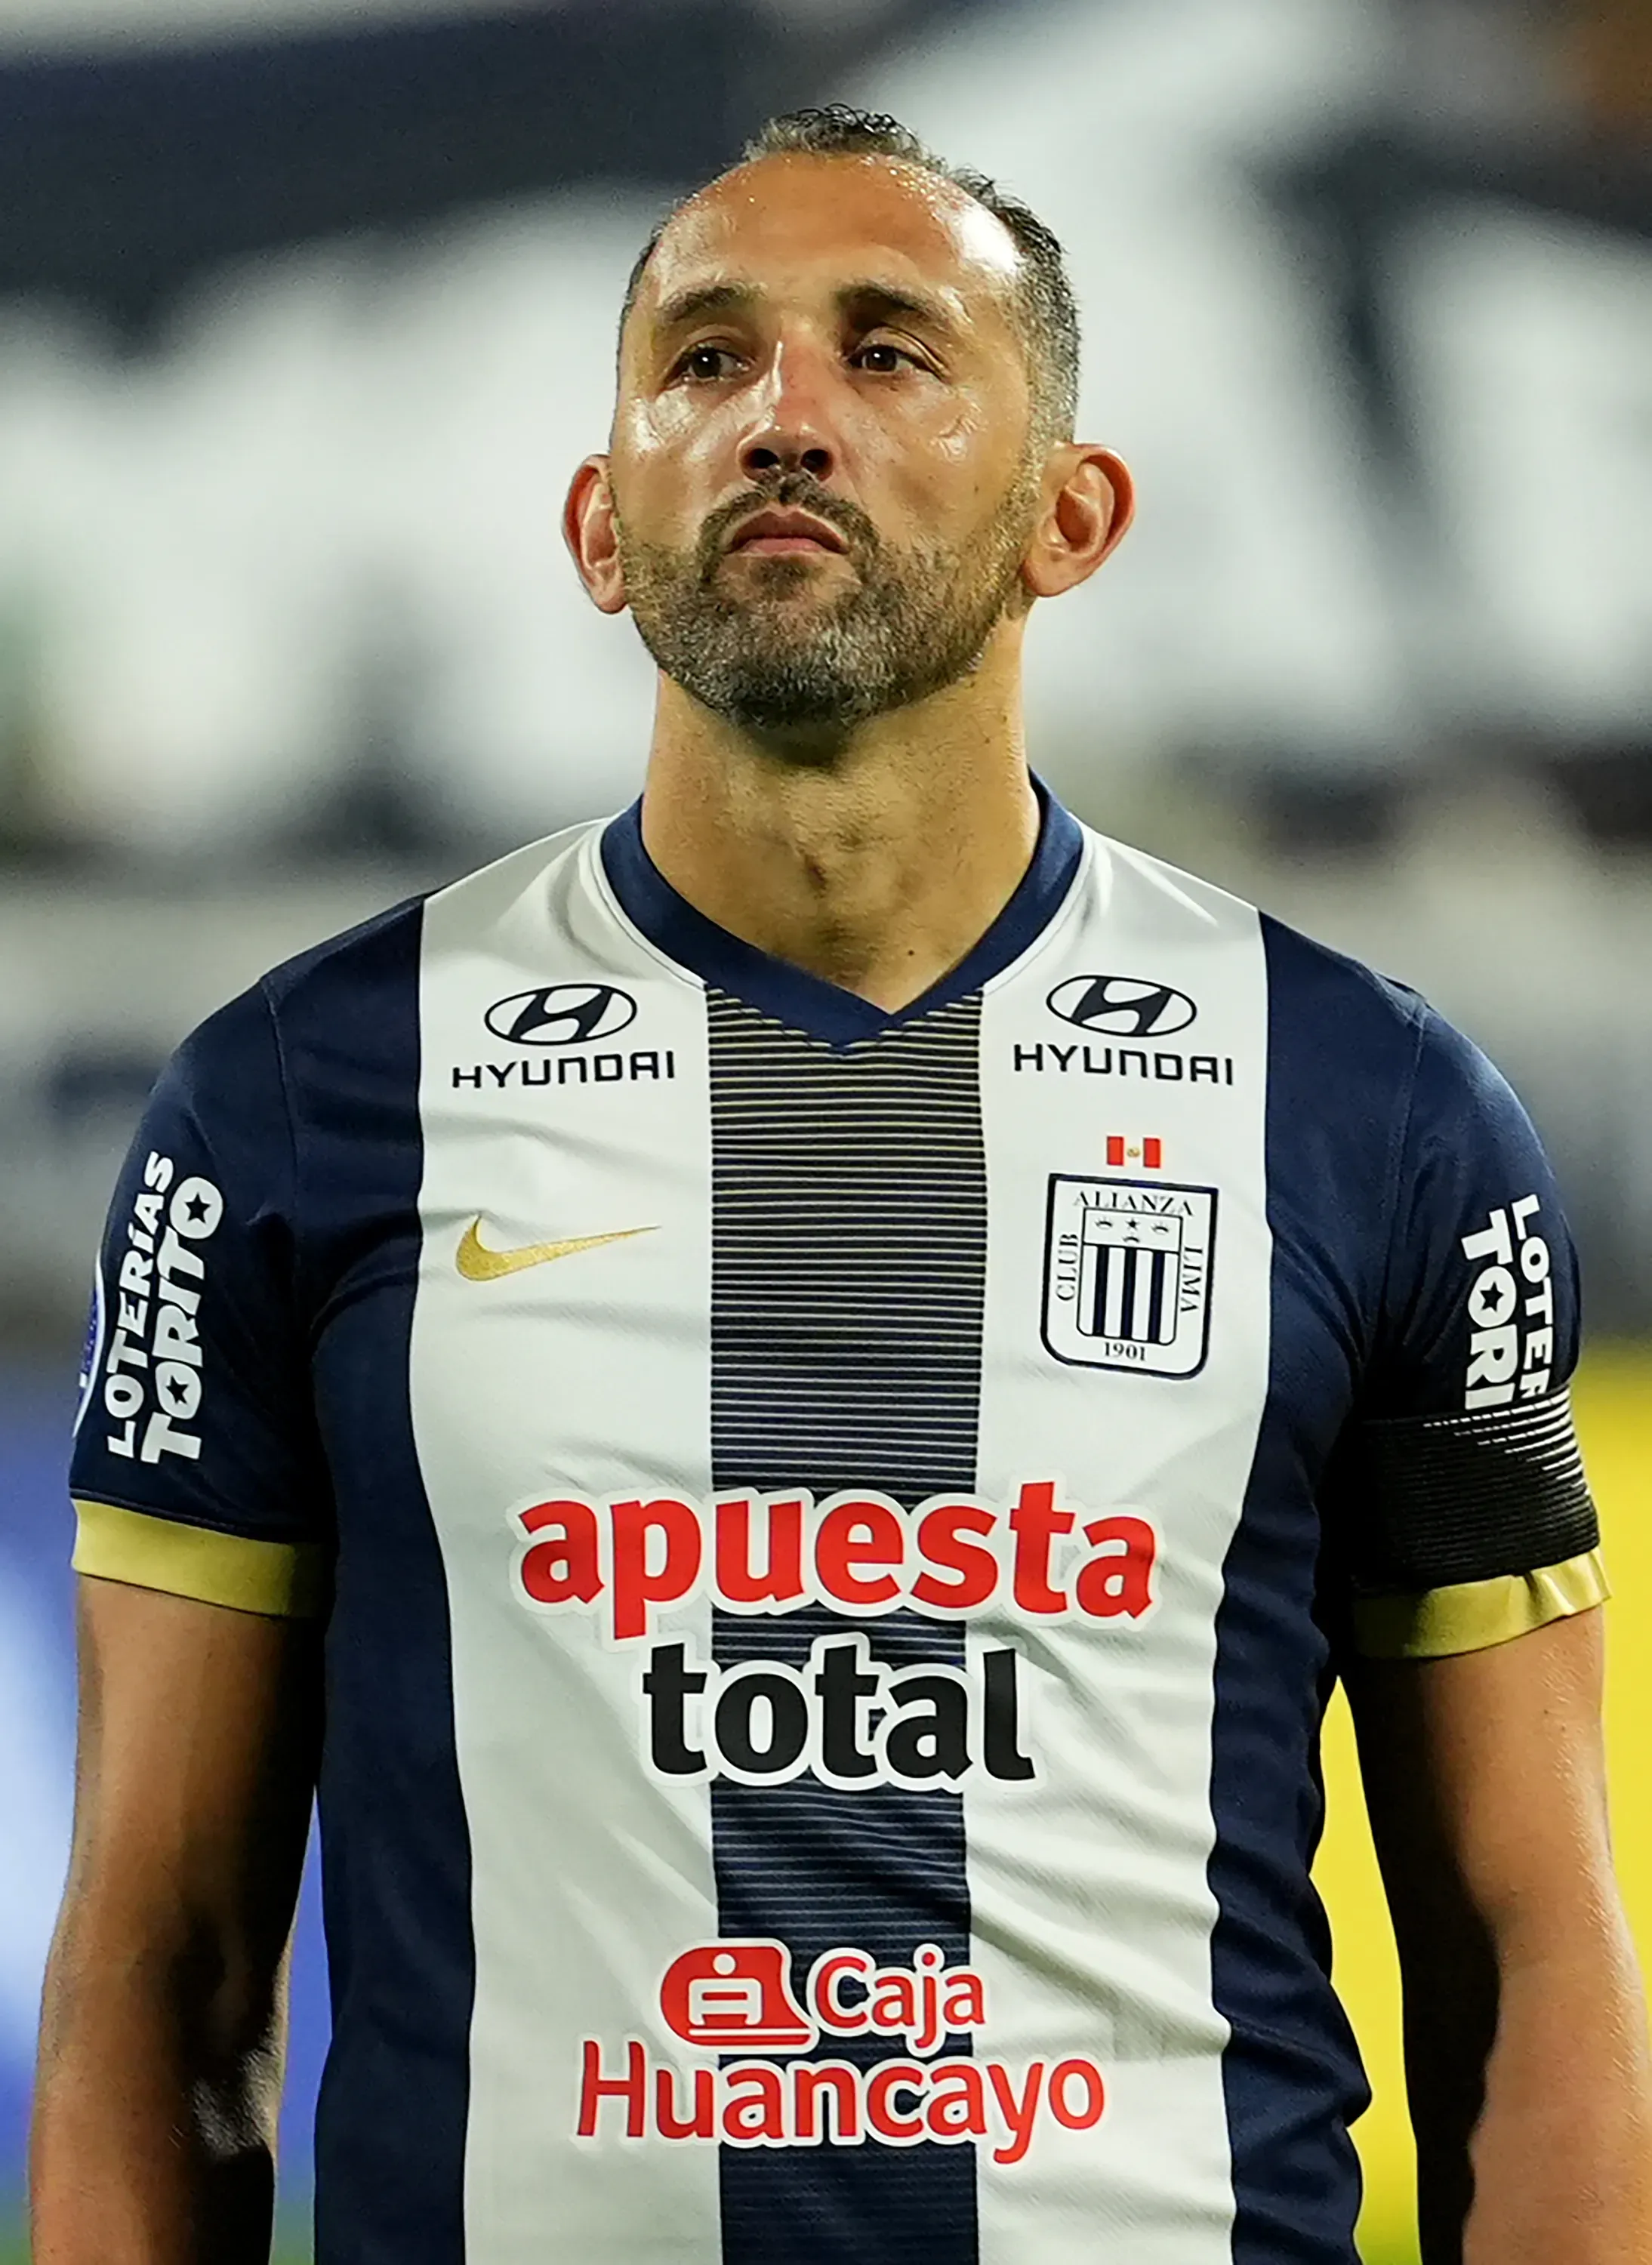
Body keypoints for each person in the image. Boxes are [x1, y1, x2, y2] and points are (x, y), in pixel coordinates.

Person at [29, 103, 1651, 2265]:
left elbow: (1529, 1940)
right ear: (603, 528)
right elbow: (164, 1961)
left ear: (1072, 516)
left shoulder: (1364, 1107)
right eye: (705, 360)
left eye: (890, 351)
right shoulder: (301, 1100)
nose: (783, 413)